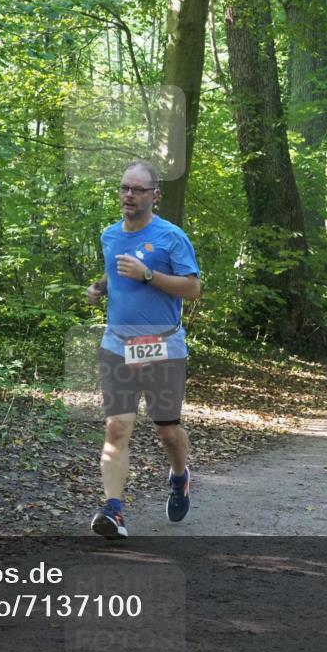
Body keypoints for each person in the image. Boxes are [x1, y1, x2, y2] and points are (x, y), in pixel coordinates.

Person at [84, 160, 201, 539]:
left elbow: (192, 288)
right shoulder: (109, 235)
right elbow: (115, 270)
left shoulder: (172, 237)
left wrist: (148, 274)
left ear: (155, 195)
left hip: (161, 345)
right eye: (124, 188)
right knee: (117, 427)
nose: (128, 196)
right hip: (117, 344)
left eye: (136, 190)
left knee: (167, 431)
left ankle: (179, 476)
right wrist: (101, 287)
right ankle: (113, 511)